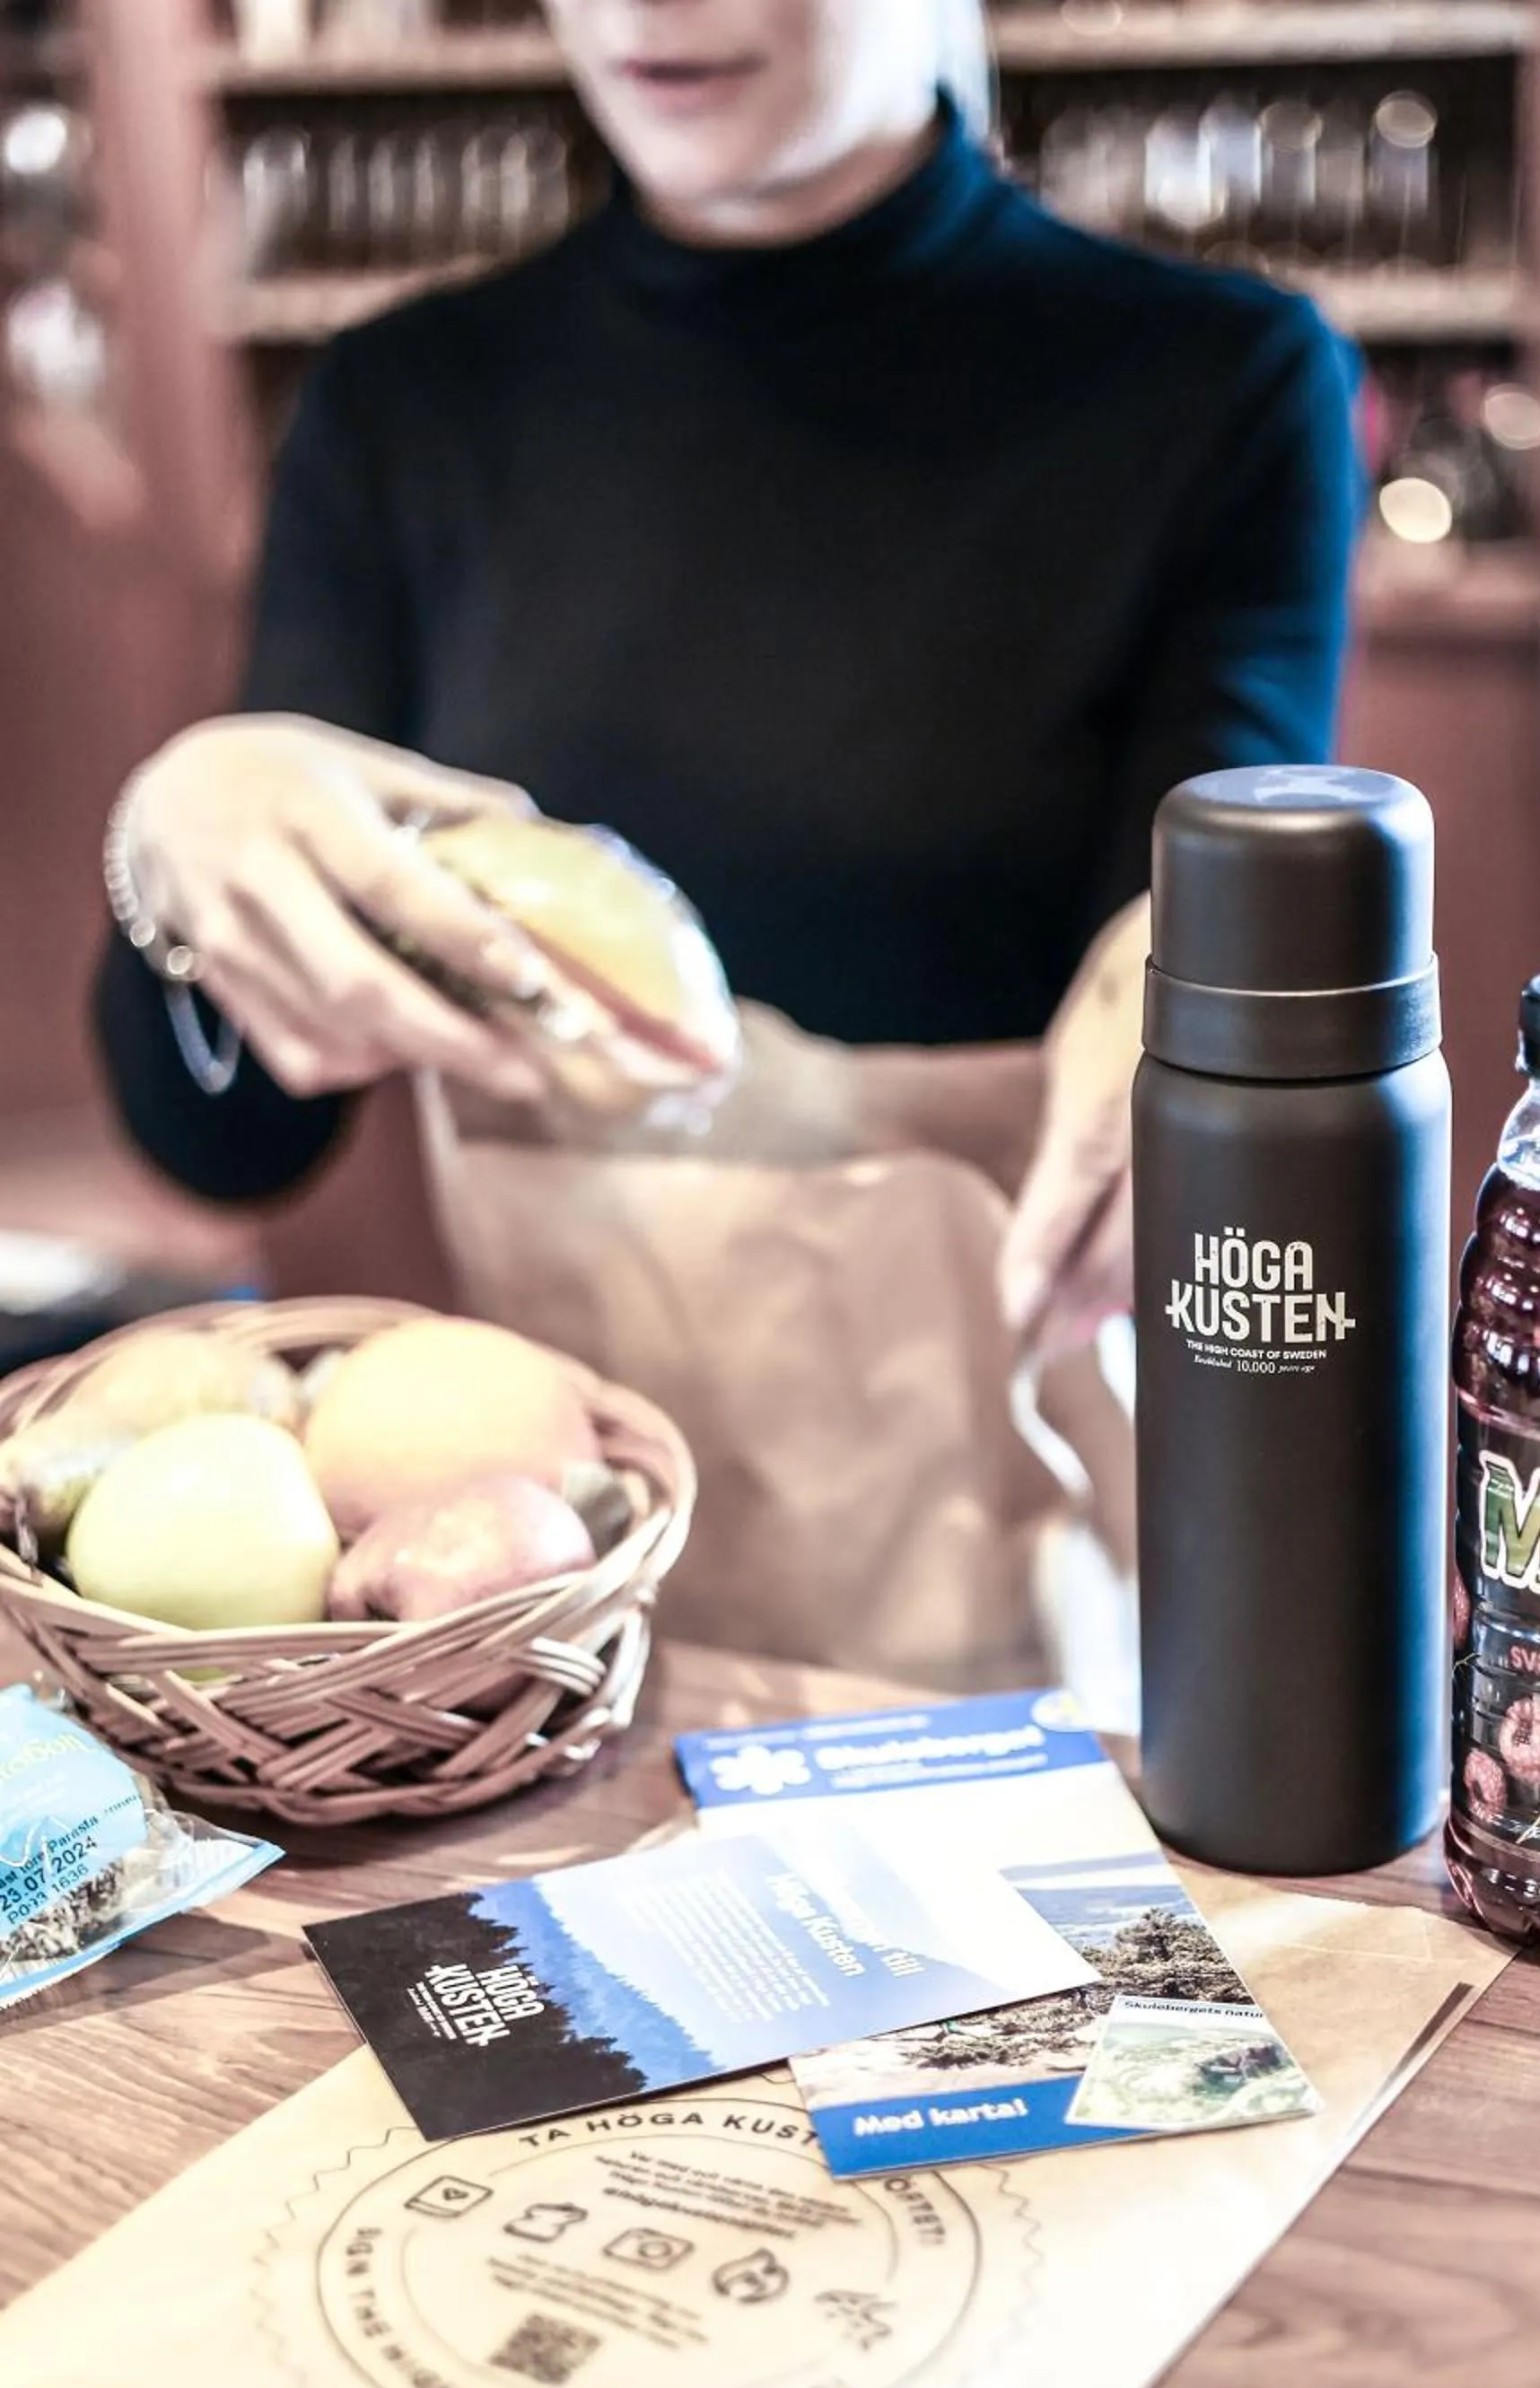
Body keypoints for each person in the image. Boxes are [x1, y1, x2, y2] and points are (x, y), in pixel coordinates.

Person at [96, 0, 1358, 1366]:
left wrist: (1212, 997)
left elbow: (1209, 886)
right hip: (561, 1501)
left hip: (999, 1450)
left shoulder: (1222, 387)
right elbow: (227, 1142)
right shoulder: (404, 405)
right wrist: (176, 852)